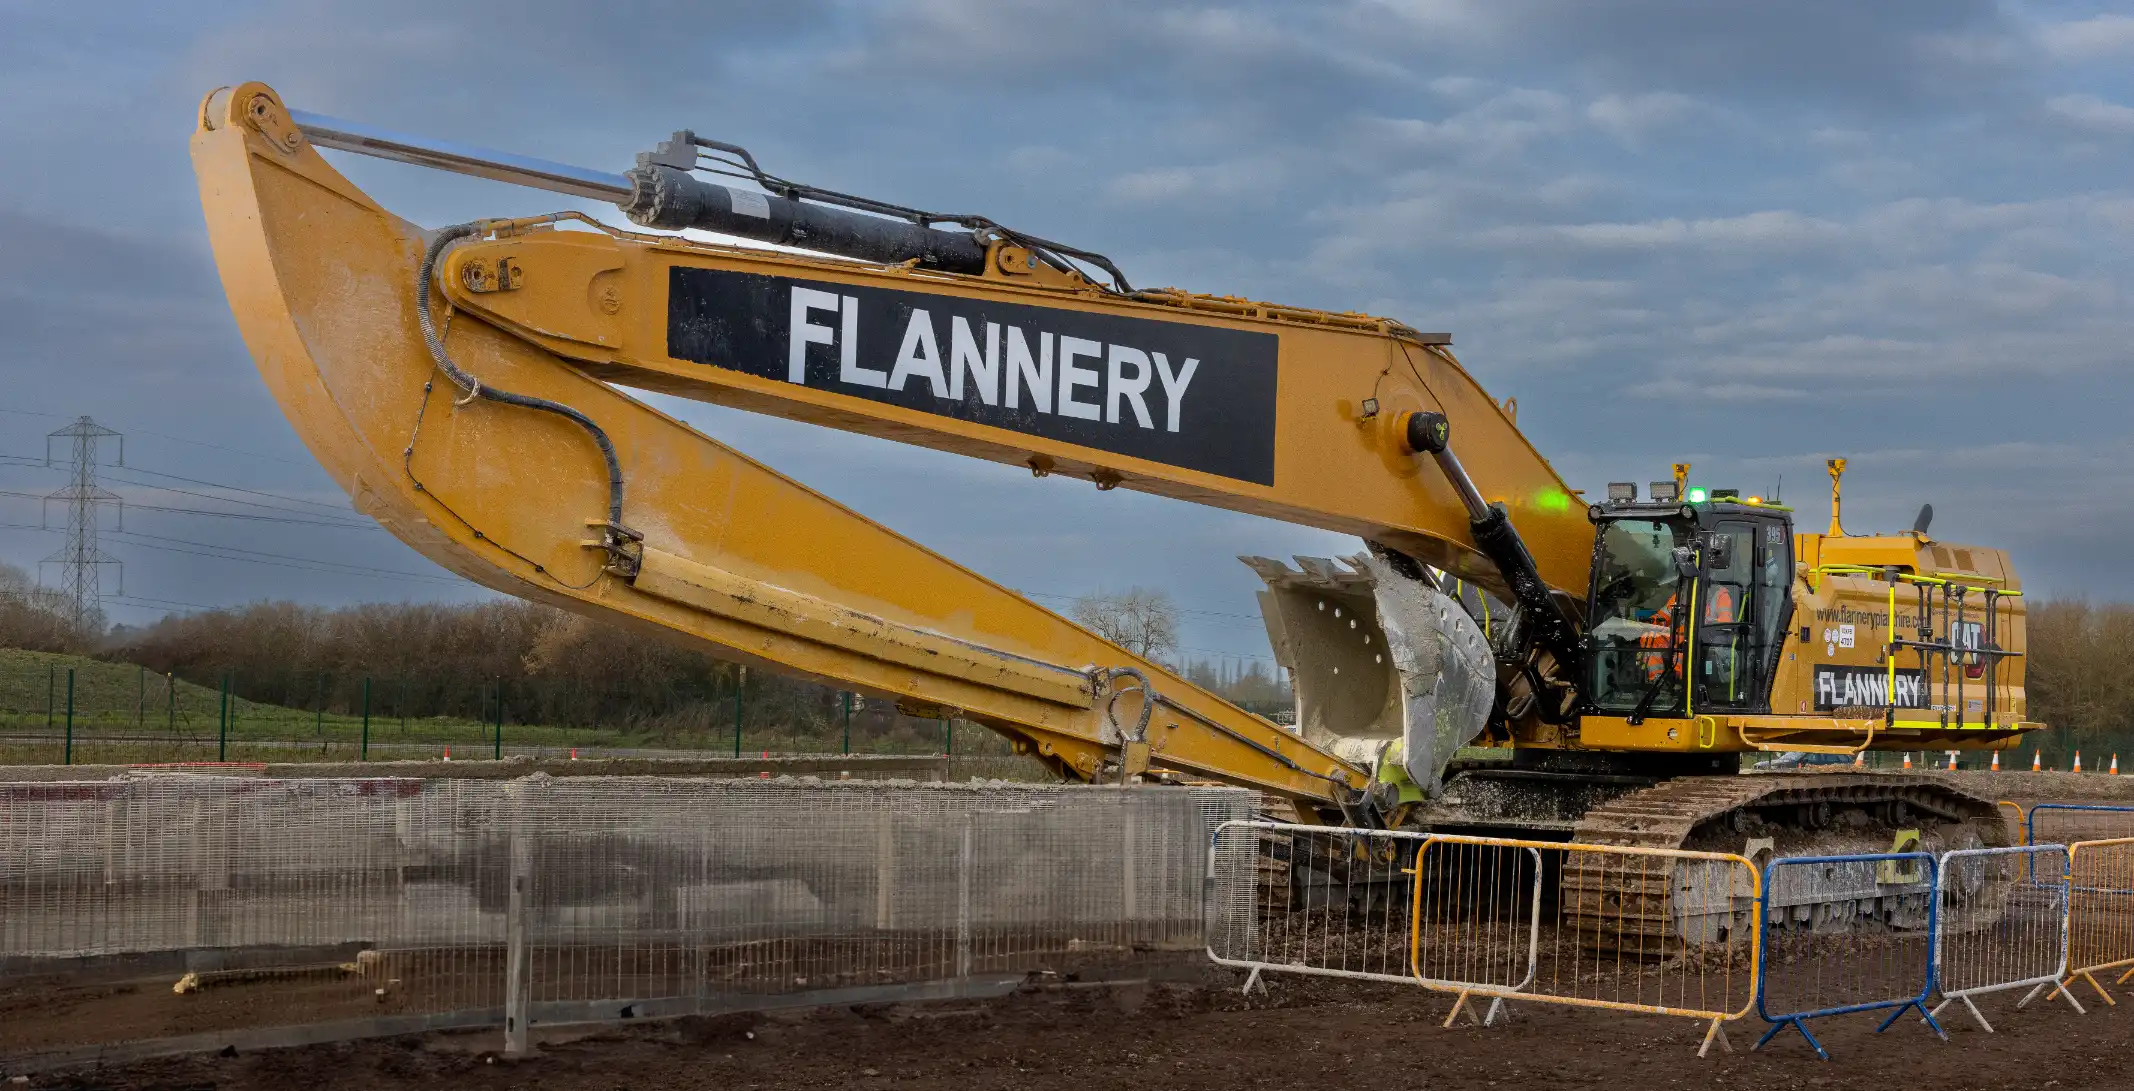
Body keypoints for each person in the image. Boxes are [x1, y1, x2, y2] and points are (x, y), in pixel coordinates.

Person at [1638, 584, 1737, 680]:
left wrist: (1702, 624)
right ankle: (1656, 678)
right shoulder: (1681, 594)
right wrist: (1650, 623)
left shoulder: (1720, 595)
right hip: (1681, 634)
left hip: (1706, 637)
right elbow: (1663, 615)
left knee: (1684, 646)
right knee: (1650, 638)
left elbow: (1724, 623)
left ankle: (1680, 682)